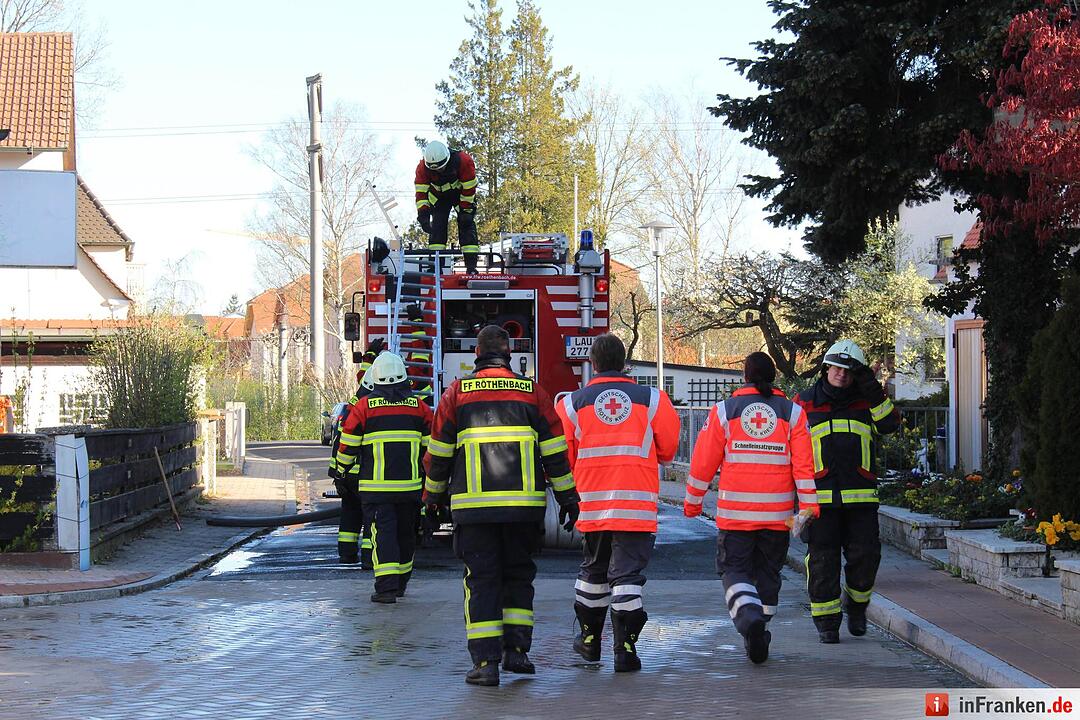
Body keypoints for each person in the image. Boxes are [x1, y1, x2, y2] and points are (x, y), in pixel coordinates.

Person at [423, 324, 579, 687]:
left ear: (477, 355)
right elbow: (555, 452)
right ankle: (518, 654)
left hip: (474, 511)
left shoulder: (457, 393)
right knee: (518, 578)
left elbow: (439, 455)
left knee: (482, 582)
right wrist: (568, 497)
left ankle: (485, 664)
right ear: (509, 355)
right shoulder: (533, 393)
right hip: (523, 510)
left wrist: (431, 500)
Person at [555, 333, 680, 672]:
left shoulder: (570, 403)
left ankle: (589, 640)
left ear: (592, 363)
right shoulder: (653, 399)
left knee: (593, 573)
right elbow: (668, 450)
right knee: (626, 577)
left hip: (592, 505)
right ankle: (625, 649)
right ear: (624, 362)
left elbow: (564, 457)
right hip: (636, 507)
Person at [684, 352, 818, 664]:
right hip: (778, 517)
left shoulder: (725, 411)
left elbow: (703, 462)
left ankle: (748, 620)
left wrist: (692, 502)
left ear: (744, 376)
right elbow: (804, 467)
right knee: (768, 573)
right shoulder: (793, 413)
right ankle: (761, 626)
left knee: (734, 570)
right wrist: (809, 508)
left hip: (736, 517)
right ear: (774, 377)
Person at [795, 339, 899, 643]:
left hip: (861, 500)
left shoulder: (867, 402)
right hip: (819, 502)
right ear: (827, 367)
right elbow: (792, 448)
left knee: (866, 558)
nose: (841, 374)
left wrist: (873, 388)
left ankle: (856, 607)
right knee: (822, 562)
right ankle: (827, 623)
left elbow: (891, 424)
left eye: (849, 370)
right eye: (837, 367)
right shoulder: (804, 402)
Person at [332, 352, 433, 603]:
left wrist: (341, 472)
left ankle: (386, 588)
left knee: (383, 535)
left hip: (377, 490)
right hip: (410, 489)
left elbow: (347, 446)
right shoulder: (419, 408)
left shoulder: (364, 408)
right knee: (406, 534)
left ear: (375, 378)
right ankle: (400, 584)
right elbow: (431, 450)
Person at [414, 140, 480, 274]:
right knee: (437, 227)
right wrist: (423, 214)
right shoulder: (422, 168)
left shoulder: (463, 161)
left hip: (460, 195)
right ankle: (436, 266)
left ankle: (471, 266)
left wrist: (466, 210)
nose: (438, 171)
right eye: (435, 169)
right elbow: (421, 193)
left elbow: (469, 188)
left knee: (467, 226)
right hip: (439, 198)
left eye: (440, 167)